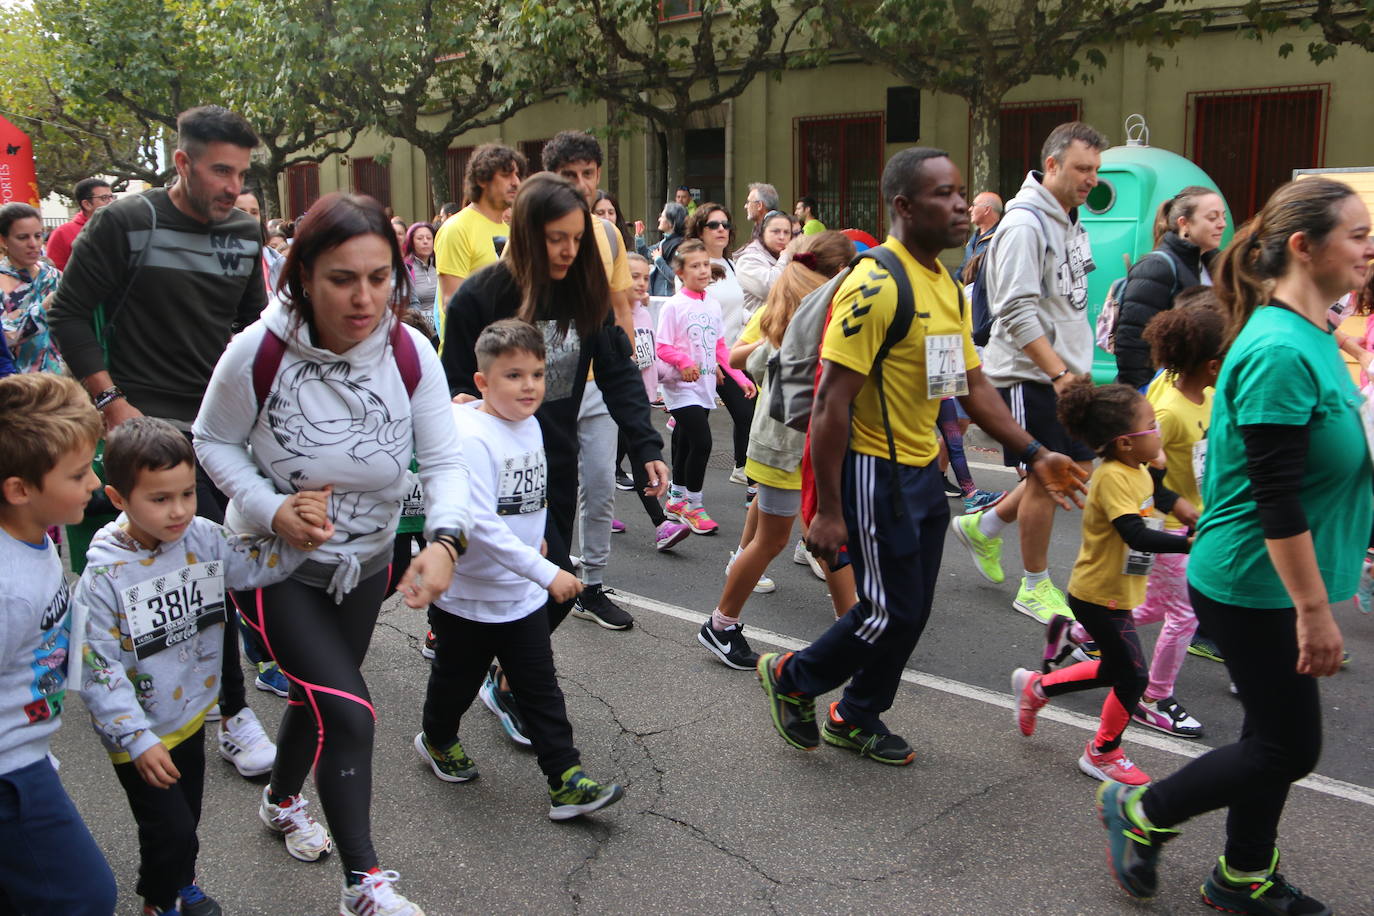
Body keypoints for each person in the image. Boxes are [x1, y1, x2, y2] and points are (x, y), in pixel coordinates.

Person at [754, 146, 1087, 767]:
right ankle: (793, 676)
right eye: (944, 194)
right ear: (904, 206)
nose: (961, 205)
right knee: (886, 612)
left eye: (962, 192)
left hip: (919, 469)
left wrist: (1036, 453)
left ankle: (855, 714)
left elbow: (973, 385)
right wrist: (827, 510)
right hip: (871, 468)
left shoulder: (946, 285)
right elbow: (830, 403)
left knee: (912, 612)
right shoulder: (875, 284)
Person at [1097, 177, 1373, 916]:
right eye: (1357, 233)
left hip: (1275, 577)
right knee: (1290, 747)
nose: (1370, 246)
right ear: (1303, 247)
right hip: (1256, 579)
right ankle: (1142, 812)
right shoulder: (1282, 349)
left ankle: (1243, 873)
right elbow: (1275, 495)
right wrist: (1314, 610)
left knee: (1270, 733)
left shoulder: (1311, 336)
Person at [194, 191, 472, 916]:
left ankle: (283, 803)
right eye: (343, 278)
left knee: (319, 704)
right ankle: (364, 885)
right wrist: (271, 508)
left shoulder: (411, 352)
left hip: (367, 561)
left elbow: (444, 463)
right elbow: (212, 440)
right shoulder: (259, 350)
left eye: (380, 278)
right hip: (271, 563)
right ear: (303, 275)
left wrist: (445, 541)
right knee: (349, 711)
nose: (364, 297)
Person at [48, 104, 278, 780]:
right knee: (155, 578)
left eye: (241, 172)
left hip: (217, 429)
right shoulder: (127, 221)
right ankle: (142, 699)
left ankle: (228, 712)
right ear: (182, 163)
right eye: (219, 171)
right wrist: (112, 404)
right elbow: (66, 312)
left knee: (208, 573)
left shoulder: (244, 229)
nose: (232, 186)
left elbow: (250, 326)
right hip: (143, 427)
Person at [442, 172, 668, 743]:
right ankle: (479, 694)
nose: (568, 250)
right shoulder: (481, 295)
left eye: (576, 237)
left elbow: (617, 374)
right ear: (523, 235)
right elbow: (445, 389)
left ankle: (500, 677)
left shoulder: (583, 295)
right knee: (497, 592)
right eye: (554, 238)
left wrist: (645, 446)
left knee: (554, 581)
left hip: (552, 465)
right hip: (487, 473)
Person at [70, 418, 327, 916]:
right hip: (140, 733)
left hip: (191, 715)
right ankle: (159, 902)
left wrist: (300, 540)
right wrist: (136, 739)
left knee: (188, 817)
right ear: (118, 498)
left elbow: (251, 566)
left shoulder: (203, 537)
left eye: (187, 494)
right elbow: (95, 667)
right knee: (168, 826)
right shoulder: (102, 577)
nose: (180, 510)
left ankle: (181, 883)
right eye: (160, 499)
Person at [416, 319, 625, 820]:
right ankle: (437, 740)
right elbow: (480, 523)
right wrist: (546, 570)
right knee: (455, 683)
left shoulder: (528, 421)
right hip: (467, 599)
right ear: (482, 383)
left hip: (520, 598)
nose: (529, 385)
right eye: (513, 375)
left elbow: (527, 499)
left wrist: (544, 544)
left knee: (541, 688)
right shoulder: (470, 436)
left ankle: (566, 780)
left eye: (536, 374)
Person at [950, 121, 1109, 624]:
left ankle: (985, 526)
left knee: (1073, 469)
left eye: (1096, 170)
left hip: (1064, 370)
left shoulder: (1068, 216)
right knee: (1049, 474)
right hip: (1028, 373)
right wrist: (1059, 372)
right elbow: (1015, 311)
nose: (1091, 178)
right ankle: (1035, 585)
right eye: (1083, 168)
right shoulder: (1023, 224)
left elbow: (1067, 299)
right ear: (1054, 164)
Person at [1011, 380, 1194, 787]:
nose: (1159, 430)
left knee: (1114, 668)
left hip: (1119, 589)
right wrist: (1188, 544)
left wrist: (1188, 512)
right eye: (1152, 425)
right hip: (1098, 596)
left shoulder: (1138, 469)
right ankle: (1103, 752)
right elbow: (1136, 534)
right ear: (1126, 443)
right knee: (1133, 677)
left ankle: (1038, 688)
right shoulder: (1112, 479)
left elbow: (1158, 497)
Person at [699, 231, 858, 668]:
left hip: (800, 444)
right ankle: (720, 624)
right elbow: (737, 357)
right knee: (777, 540)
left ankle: (853, 627)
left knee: (806, 535)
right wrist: (784, 347)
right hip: (783, 445)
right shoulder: (799, 308)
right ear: (839, 274)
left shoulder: (823, 307)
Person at [0, 373, 116, 916]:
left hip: (30, 753)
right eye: (77, 474)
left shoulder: (31, 533)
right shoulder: (8, 592)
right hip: (10, 772)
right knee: (84, 897)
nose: (93, 483)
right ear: (19, 489)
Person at [657, 239, 756, 534]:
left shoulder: (711, 303)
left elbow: (720, 348)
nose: (703, 271)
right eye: (695, 266)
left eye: (705, 265)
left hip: (704, 386)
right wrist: (684, 361)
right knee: (703, 442)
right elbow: (662, 346)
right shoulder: (675, 306)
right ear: (680, 272)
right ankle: (693, 506)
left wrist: (741, 378)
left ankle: (676, 499)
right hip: (680, 386)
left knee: (688, 442)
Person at [1114, 186, 1228, 390]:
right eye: (1212, 218)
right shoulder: (1156, 267)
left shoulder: (1212, 264)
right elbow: (1132, 341)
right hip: (1160, 392)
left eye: (1223, 216)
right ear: (1184, 223)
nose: (1222, 224)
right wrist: (1143, 394)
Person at [620, 252, 691, 550]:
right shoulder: (611, 315)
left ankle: (595, 514)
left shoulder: (645, 314)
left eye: (644, 276)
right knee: (639, 463)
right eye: (632, 276)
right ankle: (661, 523)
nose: (641, 282)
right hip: (617, 406)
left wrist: (679, 371)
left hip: (640, 403)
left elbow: (650, 364)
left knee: (608, 466)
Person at [684, 203, 755, 485]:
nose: (721, 230)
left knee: (749, 412)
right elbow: (689, 313)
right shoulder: (694, 266)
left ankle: (744, 469)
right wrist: (707, 361)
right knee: (691, 434)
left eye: (725, 224)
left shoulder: (730, 264)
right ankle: (681, 494)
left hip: (732, 354)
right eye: (714, 225)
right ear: (700, 231)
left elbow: (736, 308)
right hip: (705, 358)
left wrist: (758, 320)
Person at [433, 143, 526, 316]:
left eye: (517, 175)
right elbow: (452, 303)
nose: (516, 182)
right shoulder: (456, 229)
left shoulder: (513, 232)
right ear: (482, 180)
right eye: (506, 175)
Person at [1, 203, 64, 375]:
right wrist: (42, 309)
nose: (33, 244)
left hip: (60, 383)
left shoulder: (52, 276)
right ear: (3, 240)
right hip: (17, 387)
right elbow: (7, 339)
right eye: (22, 237)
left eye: (38, 235)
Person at [46, 177, 116, 271]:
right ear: (87, 204)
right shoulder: (62, 233)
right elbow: (55, 273)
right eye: (105, 198)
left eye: (112, 197)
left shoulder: (119, 228)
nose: (112, 202)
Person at [736, 209, 794, 321]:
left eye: (786, 232)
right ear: (762, 233)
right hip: (755, 331)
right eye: (775, 231)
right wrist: (785, 257)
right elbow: (771, 287)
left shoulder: (785, 256)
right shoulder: (748, 259)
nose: (782, 237)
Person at [954, 191, 1001, 283]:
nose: (970, 209)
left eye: (974, 205)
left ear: (987, 210)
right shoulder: (974, 238)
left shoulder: (1000, 239)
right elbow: (963, 269)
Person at [646, 201, 688, 297]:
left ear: (671, 223)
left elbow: (675, 277)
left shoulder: (680, 245)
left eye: (662, 216)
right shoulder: (664, 242)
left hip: (668, 298)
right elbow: (645, 253)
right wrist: (639, 237)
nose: (659, 219)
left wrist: (659, 260)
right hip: (658, 297)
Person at [403, 221, 438, 320]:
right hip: (417, 325)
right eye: (420, 238)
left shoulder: (440, 266)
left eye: (429, 238)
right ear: (411, 242)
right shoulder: (406, 268)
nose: (425, 241)